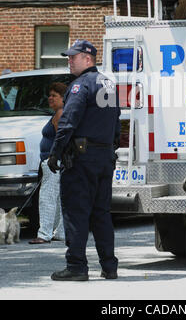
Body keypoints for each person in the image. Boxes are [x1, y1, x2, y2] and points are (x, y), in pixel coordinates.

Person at [48, 39, 120, 282]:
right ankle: (109, 266)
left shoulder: (80, 85)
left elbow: (68, 122)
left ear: (87, 59)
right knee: (101, 213)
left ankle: (76, 266)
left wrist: (55, 153)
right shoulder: (108, 83)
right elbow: (116, 122)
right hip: (104, 157)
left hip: (82, 158)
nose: (69, 61)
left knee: (76, 212)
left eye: (73, 57)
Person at [29, 82, 67, 244]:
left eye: (54, 96)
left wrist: (54, 157)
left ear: (63, 98)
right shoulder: (60, 113)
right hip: (57, 162)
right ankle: (60, 232)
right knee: (59, 199)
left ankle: (44, 234)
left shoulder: (60, 114)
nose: (50, 98)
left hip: (53, 162)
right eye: (49, 95)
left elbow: (61, 137)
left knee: (47, 198)